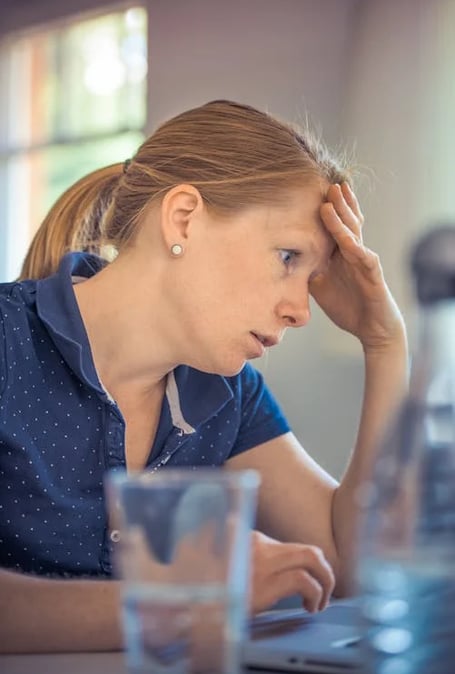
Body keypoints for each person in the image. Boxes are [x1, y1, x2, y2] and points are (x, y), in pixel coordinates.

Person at [0, 99, 408, 653]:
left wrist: (385, 344)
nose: (301, 310)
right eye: (288, 256)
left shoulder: (227, 393)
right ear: (183, 217)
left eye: (310, 278)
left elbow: (351, 565)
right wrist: (190, 599)